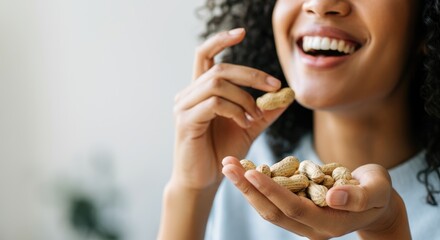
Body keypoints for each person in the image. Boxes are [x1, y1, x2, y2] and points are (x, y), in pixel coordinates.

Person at [158, 0, 440, 239]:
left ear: (425, 25)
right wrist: (192, 190)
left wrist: (388, 229)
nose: (319, 4)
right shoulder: (246, 167)